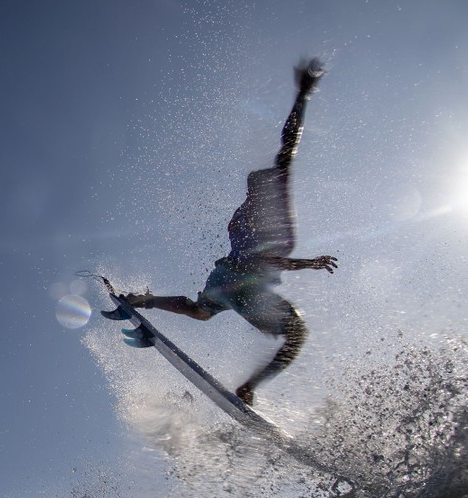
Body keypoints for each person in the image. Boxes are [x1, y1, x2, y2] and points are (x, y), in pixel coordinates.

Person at [124, 59, 337, 406]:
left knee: (200, 311)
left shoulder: (244, 218)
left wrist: (302, 95)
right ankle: (250, 387)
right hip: (244, 283)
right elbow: (288, 146)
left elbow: (285, 151)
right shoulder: (261, 220)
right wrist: (304, 94)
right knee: (296, 334)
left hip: (223, 281)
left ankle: (146, 300)